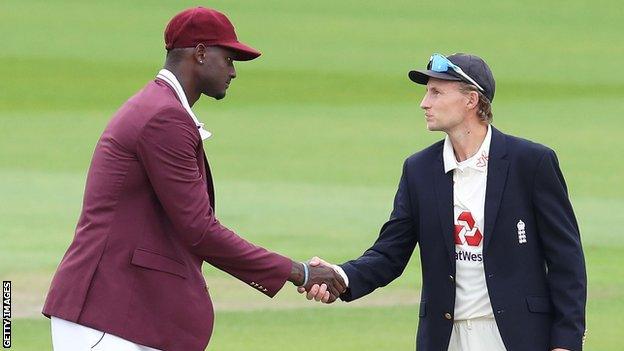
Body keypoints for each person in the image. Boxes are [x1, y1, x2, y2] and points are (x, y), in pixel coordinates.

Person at [42, 7, 345, 351]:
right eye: (229, 58)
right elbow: (199, 230)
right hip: (106, 318)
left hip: (122, 316)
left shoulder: (159, 107)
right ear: (200, 53)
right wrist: (299, 272)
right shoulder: (163, 118)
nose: (233, 72)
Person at [301, 53, 587, 351]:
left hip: (517, 338)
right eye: (427, 92)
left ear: (471, 100)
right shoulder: (419, 170)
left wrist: (566, 341)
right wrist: (341, 276)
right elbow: (389, 254)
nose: (424, 103)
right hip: (445, 339)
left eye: (436, 92)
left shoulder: (531, 162)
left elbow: (566, 260)